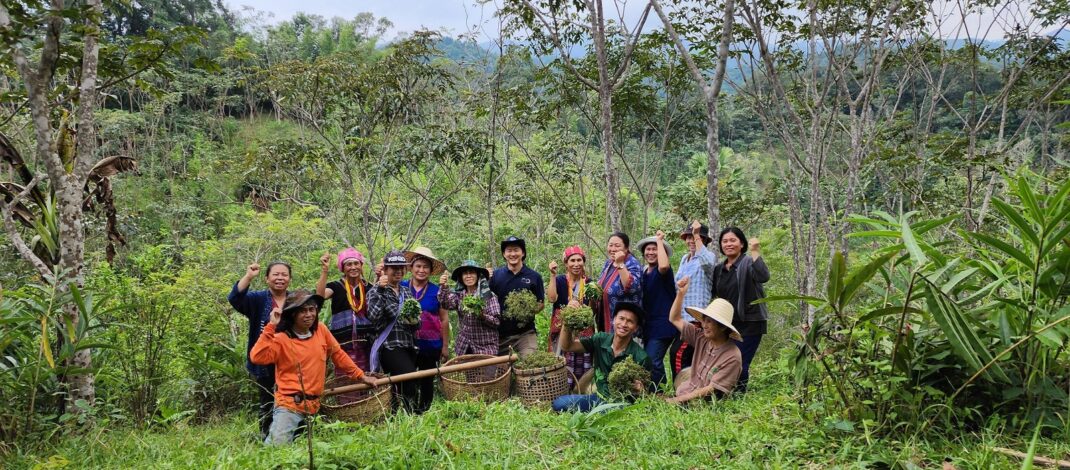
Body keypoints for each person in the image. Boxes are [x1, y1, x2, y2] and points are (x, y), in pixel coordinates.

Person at [251, 289, 377, 445]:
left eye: (312, 309)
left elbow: (338, 355)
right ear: (292, 314)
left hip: (314, 407)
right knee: (277, 449)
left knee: (305, 451)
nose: (309, 314)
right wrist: (271, 327)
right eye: (303, 311)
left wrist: (361, 376)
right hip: (289, 406)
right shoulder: (281, 339)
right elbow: (257, 357)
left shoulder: (321, 331)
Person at [228, 261, 291, 439]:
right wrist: (248, 276)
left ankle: (292, 434)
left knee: (292, 396)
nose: (280, 278)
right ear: (267, 278)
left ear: (290, 279)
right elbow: (235, 298)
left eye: (284, 275)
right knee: (268, 398)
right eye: (276, 274)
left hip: (290, 358)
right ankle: (266, 436)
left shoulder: (295, 299)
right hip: (265, 359)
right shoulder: (258, 299)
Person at [551, 302, 653, 412]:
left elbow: (644, 398)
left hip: (621, 404)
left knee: (614, 411)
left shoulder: (641, 357)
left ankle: (602, 413)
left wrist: (640, 391)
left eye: (630, 321)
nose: (624, 324)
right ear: (614, 320)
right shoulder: (600, 339)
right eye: (621, 318)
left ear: (635, 328)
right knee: (559, 403)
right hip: (598, 399)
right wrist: (567, 319)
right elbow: (567, 346)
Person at [665, 277, 742, 405]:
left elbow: (712, 389)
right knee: (684, 374)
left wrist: (677, 400)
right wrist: (681, 294)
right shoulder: (702, 337)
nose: (704, 325)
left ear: (723, 327)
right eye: (704, 320)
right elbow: (674, 319)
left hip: (705, 403)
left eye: (710, 322)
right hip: (690, 388)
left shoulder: (732, 355)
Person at [711, 227, 769, 393]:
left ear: (741, 243)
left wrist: (755, 250)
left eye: (733, 240)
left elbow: (763, 276)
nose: (729, 244)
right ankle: (723, 392)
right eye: (725, 241)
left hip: (750, 321)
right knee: (726, 360)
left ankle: (738, 395)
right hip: (728, 323)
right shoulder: (719, 269)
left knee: (741, 362)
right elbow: (715, 295)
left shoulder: (748, 262)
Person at [367, 250, 421, 412]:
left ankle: (399, 415)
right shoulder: (376, 291)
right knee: (409, 377)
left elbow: (416, 321)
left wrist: (415, 320)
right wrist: (381, 291)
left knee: (406, 383)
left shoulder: (405, 291)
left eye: (401, 268)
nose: (397, 271)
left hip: (408, 343)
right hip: (389, 345)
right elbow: (373, 316)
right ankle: (412, 415)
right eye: (393, 268)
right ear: (385, 270)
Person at [401, 246, 449, 413]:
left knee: (427, 380)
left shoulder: (437, 291)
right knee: (407, 379)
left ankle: (423, 412)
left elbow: (444, 318)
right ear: (411, 268)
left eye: (425, 267)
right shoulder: (401, 287)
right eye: (418, 266)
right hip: (406, 342)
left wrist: (444, 346)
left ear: (430, 270)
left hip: (431, 344)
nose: (421, 270)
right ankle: (407, 410)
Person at [669, 220, 718, 381]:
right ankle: (688, 388)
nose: (691, 241)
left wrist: (697, 234)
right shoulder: (684, 259)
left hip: (696, 318)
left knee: (679, 353)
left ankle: (681, 388)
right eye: (688, 237)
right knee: (688, 355)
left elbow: (707, 263)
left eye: (695, 238)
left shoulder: (708, 257)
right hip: (681, 317)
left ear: (703, 240)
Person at [316, 247, 373, 371]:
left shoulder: (368, 287)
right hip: (342, 345)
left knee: (366, 377)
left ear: (361, 265)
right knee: (345, 379)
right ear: (343, 268)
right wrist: (325, 271)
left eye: (356, 263)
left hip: (365, 344)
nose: (353, 267)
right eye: (349, 264)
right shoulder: (336, 286)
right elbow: (320, 296)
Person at [546, 246, 595, 386]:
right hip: (561, 328)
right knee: (561, 358)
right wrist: (552, 275)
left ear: (583, 262)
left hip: (582, 330)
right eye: (572, 260)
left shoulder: (589, 283)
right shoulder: (560, 280)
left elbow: (592, 310)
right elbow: (551, 298)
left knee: (582, 360)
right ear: (566, 263)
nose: (576, 264)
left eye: (579, 260)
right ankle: (560, 388)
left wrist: (586, 307)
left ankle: (580, 388)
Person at [489, 236, 545, 357]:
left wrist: (527, 310)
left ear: (523, 253)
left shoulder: (534, 276)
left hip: (525, 333)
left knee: (530, 366)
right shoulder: (495, 276)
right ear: (504, 254)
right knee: (500, 373)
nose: (513, 254)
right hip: (500, 335)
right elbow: (485, 301)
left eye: (516, 250)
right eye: (509, 250)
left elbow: (541, 303)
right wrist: (483, 278)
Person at [636, 231, 676, 387]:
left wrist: (660, 240)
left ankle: (659, 391)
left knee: (653, 359)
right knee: (647, 359)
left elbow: (664, 265)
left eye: (655, 249)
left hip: (663, 324)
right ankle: (653, 388)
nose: (651, 252)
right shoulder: (644, 272)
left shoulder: (663, 270)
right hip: (648, 325)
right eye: (648, 249)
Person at [437, 260, 501, 356]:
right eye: (465, 273)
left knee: (487, 371)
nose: (468, 276)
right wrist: (444, 287)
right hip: (464, 347)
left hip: (485, 347)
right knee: (467, 371)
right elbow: (446, 304)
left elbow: (496, 321)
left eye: (472, 272)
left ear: (478, 275)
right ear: (461, 278)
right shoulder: (459, 296)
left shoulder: (488, 295)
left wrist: (482, 315)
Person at [594, 232, 642, 333]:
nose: (613, 249)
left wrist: (620, 263)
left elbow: (631, 286)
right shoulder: (609, 263)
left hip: (623, 323)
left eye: (617, 246)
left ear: (626, 248)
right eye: (610, 245)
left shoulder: (633, 263)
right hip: (604, 317)